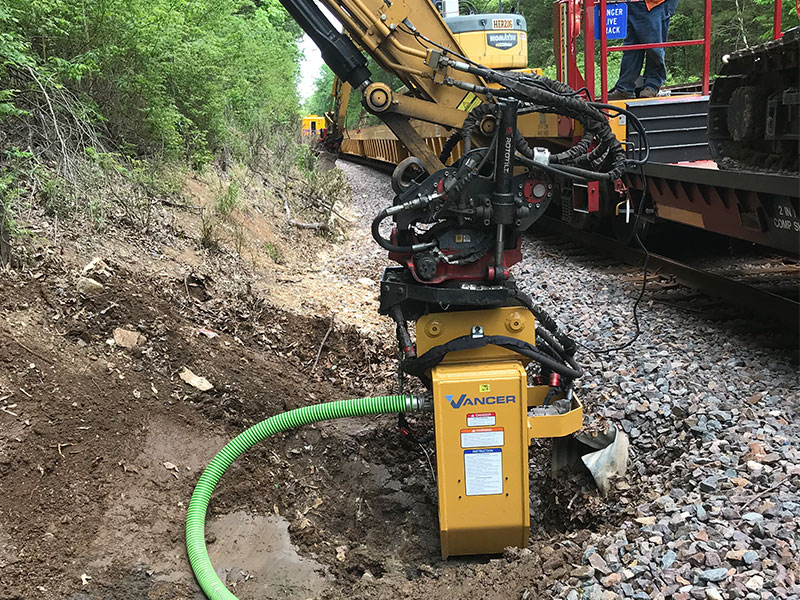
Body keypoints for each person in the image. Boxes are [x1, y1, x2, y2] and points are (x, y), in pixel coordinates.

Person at [608, 0, 679, 100]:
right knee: (631, 48)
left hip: (654, 4)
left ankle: (652, 85)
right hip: (633, 3)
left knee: (653, 47)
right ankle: (625, 88)